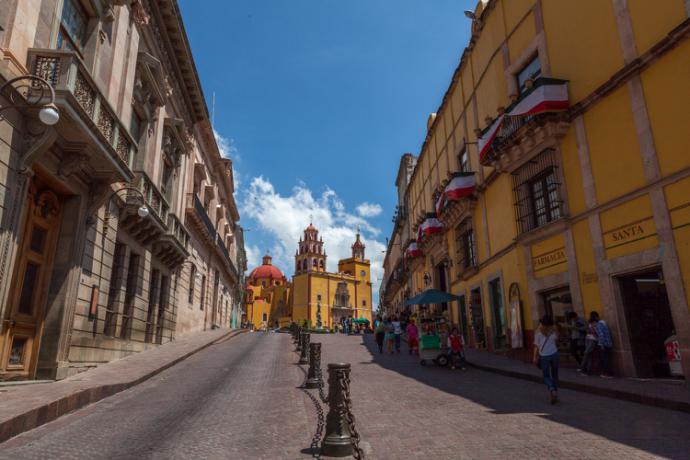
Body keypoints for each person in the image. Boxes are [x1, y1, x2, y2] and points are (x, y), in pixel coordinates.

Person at [534, 315, 559, 404]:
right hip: (555, 354)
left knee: (546, 376)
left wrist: (535, 357)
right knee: (555, 375)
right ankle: (555, 392)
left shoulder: (538, 333)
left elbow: (536, 346)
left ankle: (552, 390)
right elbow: (556, 341)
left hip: (544, 356)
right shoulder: (554, 331)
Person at [591, 311, 614, 378]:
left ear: (594, 321)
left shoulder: (599, 325)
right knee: (606, 359)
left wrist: (601, 345)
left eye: (592, 324)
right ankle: (609, 373)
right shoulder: (603, 323)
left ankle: (608, 373)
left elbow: (601, 336)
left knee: (605, 359)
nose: (592, 325)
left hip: (604, 344)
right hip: (608, 343)